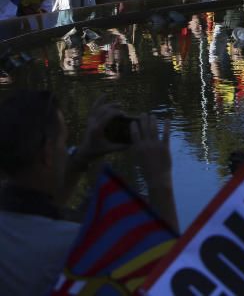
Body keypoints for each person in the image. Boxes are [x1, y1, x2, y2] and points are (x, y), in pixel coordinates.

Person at [0, 91, 176, 295]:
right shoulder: (74, 248)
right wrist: (160, 182)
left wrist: (83, 156)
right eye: (64, 144)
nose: (66, 153)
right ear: (48, 153)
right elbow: (168, 280)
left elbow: (35, 211)